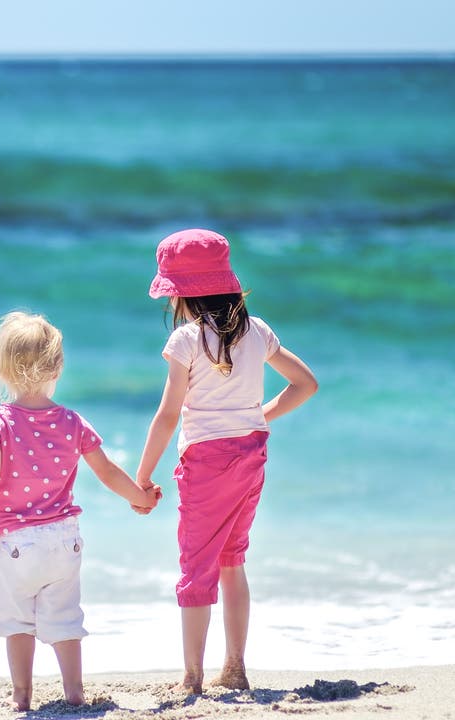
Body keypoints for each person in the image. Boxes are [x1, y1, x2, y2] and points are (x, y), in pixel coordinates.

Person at [133, 229, 318, 695]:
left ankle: (192, 678)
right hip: (252, 452)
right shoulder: (257, 332)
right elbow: (306, 384)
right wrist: (262, 414)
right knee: (233, 561)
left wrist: (142, 475)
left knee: (197, 566)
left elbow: (169, 413)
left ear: (183, 296)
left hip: (207, 462)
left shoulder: (187, 340)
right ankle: (235, 667)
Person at [0, 311, 163, 711]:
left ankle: (22, 695)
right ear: (57, 365)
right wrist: (138, 497)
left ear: (2, 368)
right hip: (62, 540)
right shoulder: (71, 421)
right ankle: (75, 692)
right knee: (65, 618)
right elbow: (105, 470)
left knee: (16, 619)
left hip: (14, 542)